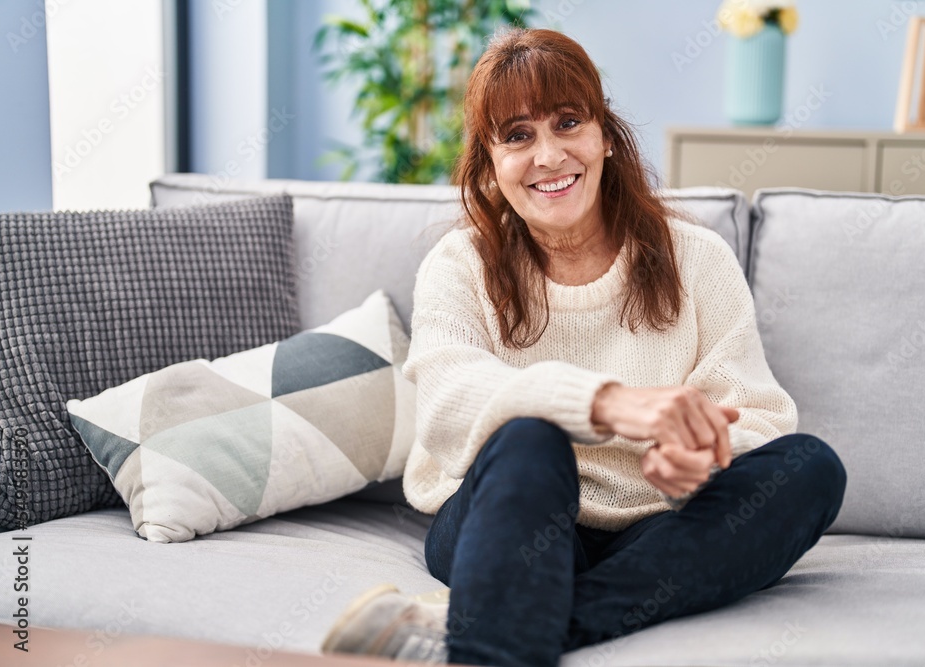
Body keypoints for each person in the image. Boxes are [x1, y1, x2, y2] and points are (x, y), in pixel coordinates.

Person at [322, 27, 846, 667]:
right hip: (506, 516)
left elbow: (758, 417)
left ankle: (491, 633)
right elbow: (446, 400)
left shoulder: (696, 257)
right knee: (528, 438)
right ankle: (515, 621)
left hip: (658, 530)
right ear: (489, 163)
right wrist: (607, 404)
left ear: (604, 135)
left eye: (568, 122)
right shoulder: (459, 264)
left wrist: (700, 457)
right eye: (517, 136)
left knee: (811, 468)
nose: (548, 156)